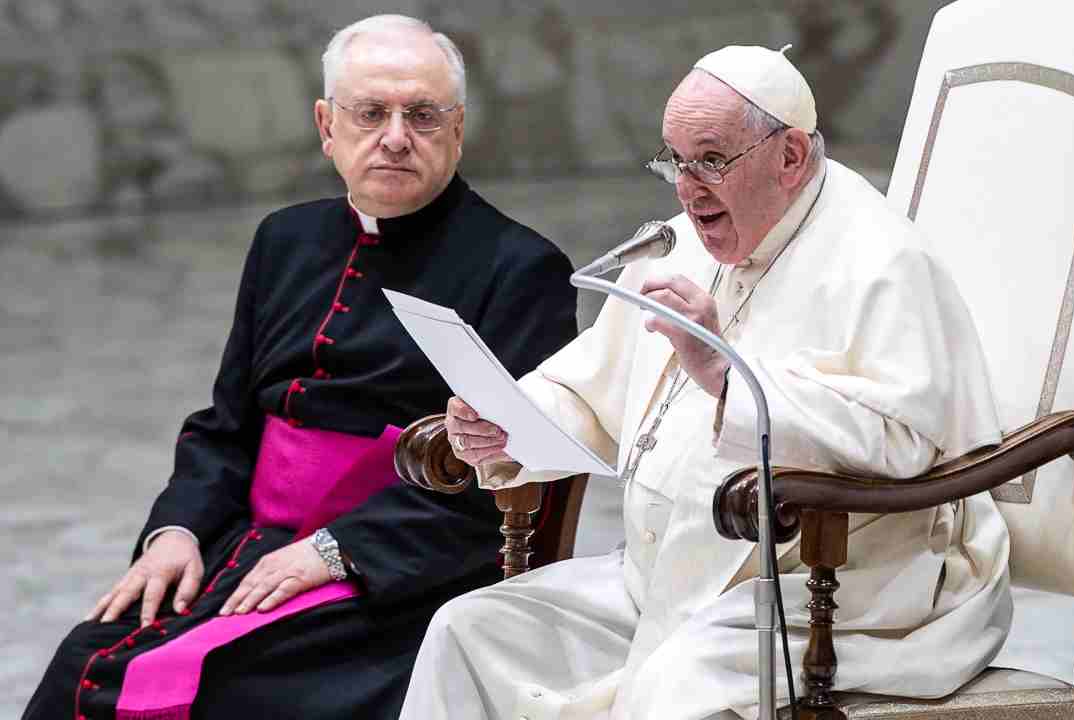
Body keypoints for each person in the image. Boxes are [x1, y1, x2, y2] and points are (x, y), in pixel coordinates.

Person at [401, 45, 1013, 720]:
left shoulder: (882, 263)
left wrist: (721, 375)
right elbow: (586, 386)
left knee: (672, 691)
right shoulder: (681, 241)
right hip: (665, 576)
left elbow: (907, 444)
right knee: (468, 631)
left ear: (790, 157)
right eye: (675, 159)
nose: (687, 188)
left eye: (712, 160)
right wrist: (503, 421)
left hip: (829, 591)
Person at [23, 15, 578, 720]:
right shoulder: (284, 239)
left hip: (398, 572)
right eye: (371, 113)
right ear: (326, 124)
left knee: (228, 684)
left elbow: (501, 480)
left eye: (424, 115)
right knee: (86, 662)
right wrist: (177, 533)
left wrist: (337, 549)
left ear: (459, 129)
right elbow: (227, 425)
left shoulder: (521, 269)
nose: (397, 136)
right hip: (249, 545)